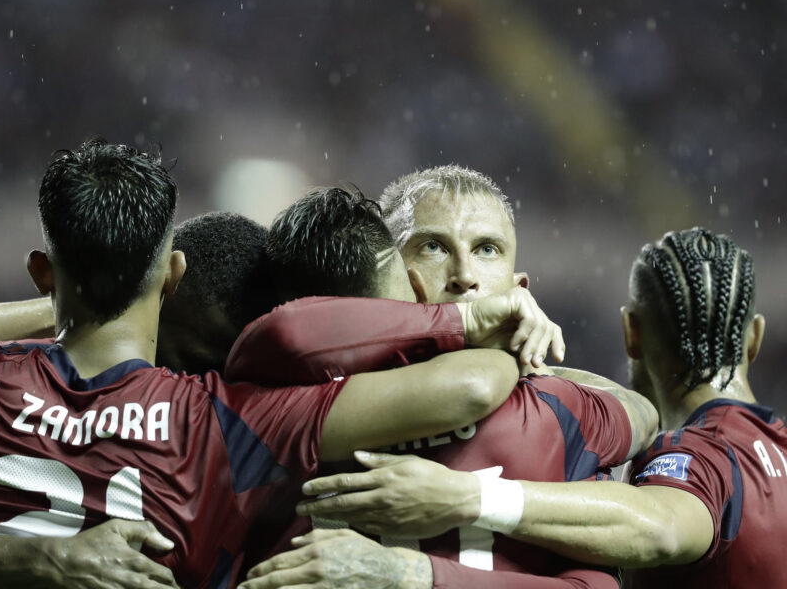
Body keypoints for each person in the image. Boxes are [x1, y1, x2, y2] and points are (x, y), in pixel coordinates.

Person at [0, 143, 527, 588]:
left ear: (40, 272)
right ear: (172, 273)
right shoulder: (224, 419)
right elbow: (474, 385)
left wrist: (29, 560)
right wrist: (474, 321)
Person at [290, 227, 785, 588]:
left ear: (632, 333)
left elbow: (658, 528)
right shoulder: (776, 445)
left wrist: (471, 498)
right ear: (756, 337)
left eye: (486, 249)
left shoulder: (695, 456)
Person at [231, 185, 657, 588]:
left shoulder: (272, 407)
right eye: (433, 246)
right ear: (394, 272)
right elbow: (643, 418)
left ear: (519, 290)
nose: (464, 276)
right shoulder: (563, 412)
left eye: (486, 249)